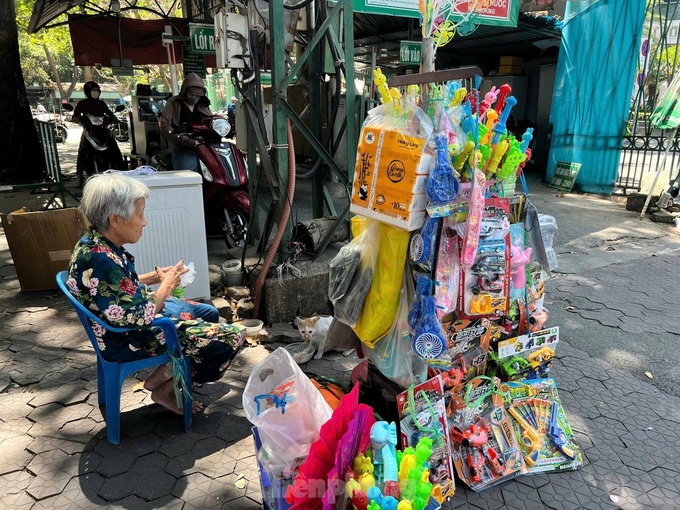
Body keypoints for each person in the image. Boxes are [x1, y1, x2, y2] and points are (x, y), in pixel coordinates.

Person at [67, 174, 243, 414]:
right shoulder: (100, 258)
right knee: (230, 338)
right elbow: (139, 316)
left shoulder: (95, 242)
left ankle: (166, 376)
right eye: (139, 214)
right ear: (115, 219)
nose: (144, 222)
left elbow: (114, 287)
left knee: (208, 311)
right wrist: (167, 285)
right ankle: (165, 388)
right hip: (126, 337)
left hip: (127, 320)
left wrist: (153, 277)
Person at [73, 81, 125, 187]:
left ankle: (122, 169)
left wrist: (114, 119)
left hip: (103, 131)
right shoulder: (82, 103)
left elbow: (109, 113)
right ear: (88, 91)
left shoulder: (101, 104)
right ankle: (79, 175)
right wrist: (77, 119)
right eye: (93, 90)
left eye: (97, 90)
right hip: (89, 131)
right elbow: (75, 115)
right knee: (83, 151)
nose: (95, 92)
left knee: (114, 149)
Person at [159, 73, 212, 172]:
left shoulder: (203, 104)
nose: (195, 98)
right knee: (188, 181)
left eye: (198, 95)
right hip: (184, 149)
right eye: (192, 95)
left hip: (206, 148)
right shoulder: (173, 102)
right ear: (185, 91)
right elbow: (164, 125)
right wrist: (186, 141)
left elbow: (212, 122)